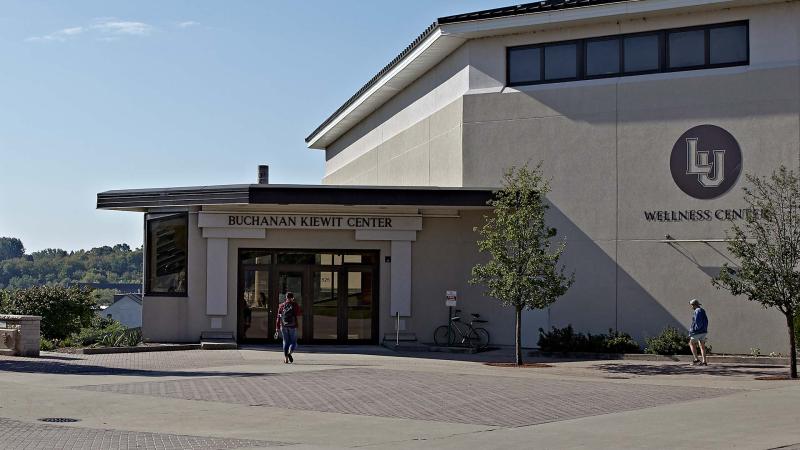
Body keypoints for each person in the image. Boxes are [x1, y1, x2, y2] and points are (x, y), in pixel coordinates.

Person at [275, 291, 301, 363]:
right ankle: (289, 353)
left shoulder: (281, 306)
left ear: (286, 297)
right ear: (292, 298)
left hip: (283, 325)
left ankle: (286, 359)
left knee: (285, 342)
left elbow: (278, 317)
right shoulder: (295, 305)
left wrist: (277, 328)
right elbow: (298, 313)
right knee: (293, 342)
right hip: (293, 325)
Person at [688, 298, 709, 366]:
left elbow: (698, 322)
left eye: (691, 305)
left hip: (697, 331)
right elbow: (706, 321)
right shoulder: (702, 310)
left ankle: (696, 359)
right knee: (702, 345)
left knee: (691, 343)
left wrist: (694, 330)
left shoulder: (697, 311)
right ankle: (704, 361)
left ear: (694, 305)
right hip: (703, 331)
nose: (691, 307)